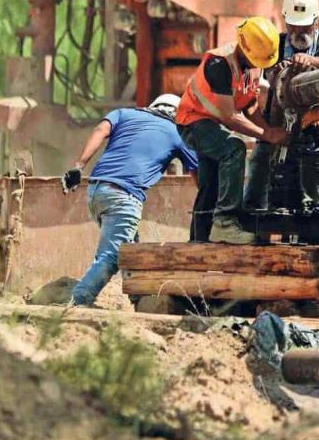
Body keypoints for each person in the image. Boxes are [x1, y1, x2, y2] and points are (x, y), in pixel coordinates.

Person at [64, 94, 197, 306]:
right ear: (177, 113)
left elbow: (100, 131)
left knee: (131, 249)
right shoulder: (176, 133)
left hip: (96, 190)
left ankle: (140, 298)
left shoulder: (123, 114)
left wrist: (79, 166)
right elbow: (197, 172)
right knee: (112, 255)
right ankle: (77, 302)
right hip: (123, 196)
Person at [175, 16, 286, 244]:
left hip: (212, 126)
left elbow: (249, 106)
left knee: (211, 184)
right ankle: (225, 222)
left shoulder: (254, 66)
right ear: (245, 49)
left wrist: (269, 131)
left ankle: (199, 239)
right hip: (193, 122)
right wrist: (267, 135)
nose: (260, 65)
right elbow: (231, 116)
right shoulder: (219, 64)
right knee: (233, 148)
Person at [245, 0, 319, 212]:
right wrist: (277, 70)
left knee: (313, 198)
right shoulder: (275, 45)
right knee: (257, 187)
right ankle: (254, 235)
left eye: (305, 25)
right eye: (293, 25)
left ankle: (312, 239)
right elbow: (264, 73)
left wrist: (311, 60)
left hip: (315, 132)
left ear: (317, 20)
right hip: (275, 127)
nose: (299, 30)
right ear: (284, 20)